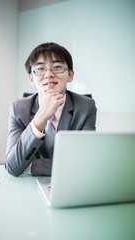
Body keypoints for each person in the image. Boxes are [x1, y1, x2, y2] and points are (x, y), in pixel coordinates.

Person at [5, 42, 97, 177]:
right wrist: (40, 118)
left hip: (71, 183)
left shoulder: (86, 107)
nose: (49, 74)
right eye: (40, 69)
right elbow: (12, 166)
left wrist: (31, 166)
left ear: (70, 75)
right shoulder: (18, 108)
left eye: (57, 67)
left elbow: (85, 164)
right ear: (31, 78)